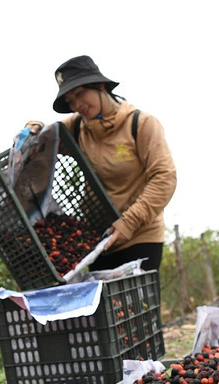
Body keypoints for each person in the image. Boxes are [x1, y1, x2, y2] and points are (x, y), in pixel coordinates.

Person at [50, 55, 177, 272]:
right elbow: (48, 136)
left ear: (100, 85)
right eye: (70, 101)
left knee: (138, 305)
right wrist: (32, 127)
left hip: (139, 237)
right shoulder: (78, 127)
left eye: (80, 94)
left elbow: (165, 178)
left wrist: (128, 222)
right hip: (99, 243)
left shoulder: (141, 124)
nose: (77, 105)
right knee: (107, 306)